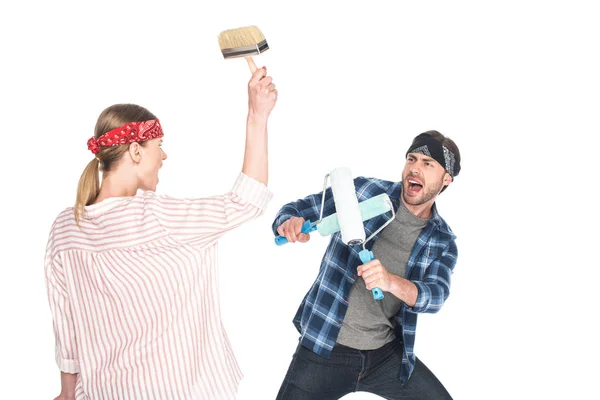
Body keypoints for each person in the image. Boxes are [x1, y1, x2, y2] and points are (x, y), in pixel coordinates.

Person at [44, 66, 277, 400]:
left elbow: (65, 323)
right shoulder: (156, 215)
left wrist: (67, 393)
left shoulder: (65, 229)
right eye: (159, 145)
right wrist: (258, 116)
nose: (164, 155)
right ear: (136, 152)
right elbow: (246, 202)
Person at [273, 131, 461, 399]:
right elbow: (297, 209)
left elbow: (436, 295)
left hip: (385, 356)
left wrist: (390, 281)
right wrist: (288, 222)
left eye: (427, 164)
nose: (414, 169)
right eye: (412, 159)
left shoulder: (442, 240)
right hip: (324, 346)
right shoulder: (364, 192)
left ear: (446, 179)